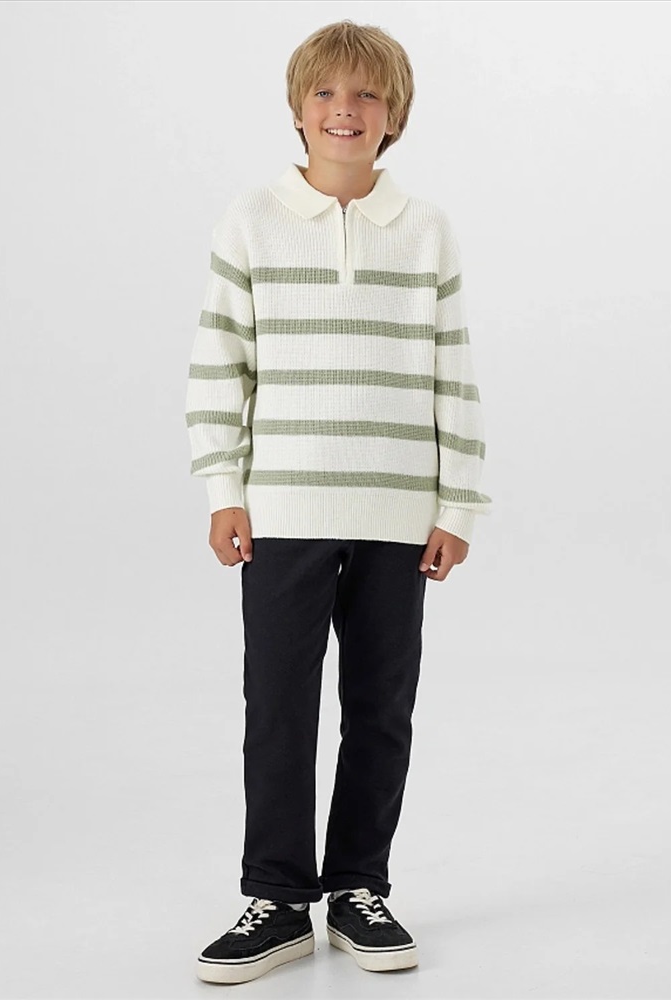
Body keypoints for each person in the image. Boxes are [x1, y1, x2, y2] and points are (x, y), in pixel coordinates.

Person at [184, 18, 492, 985]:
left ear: (394, 114)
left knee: (381, 708)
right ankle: (277, 899)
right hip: (282, 512)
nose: (344, 110)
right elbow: (219, 363)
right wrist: (223, 488)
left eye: (365, 94)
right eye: (324, 93)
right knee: (279, 707)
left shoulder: (426, 228)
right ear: (297, 108)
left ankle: (360, 886)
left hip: (398, 518)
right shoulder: (252, 219)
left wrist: (458, 505)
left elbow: (453, 372)